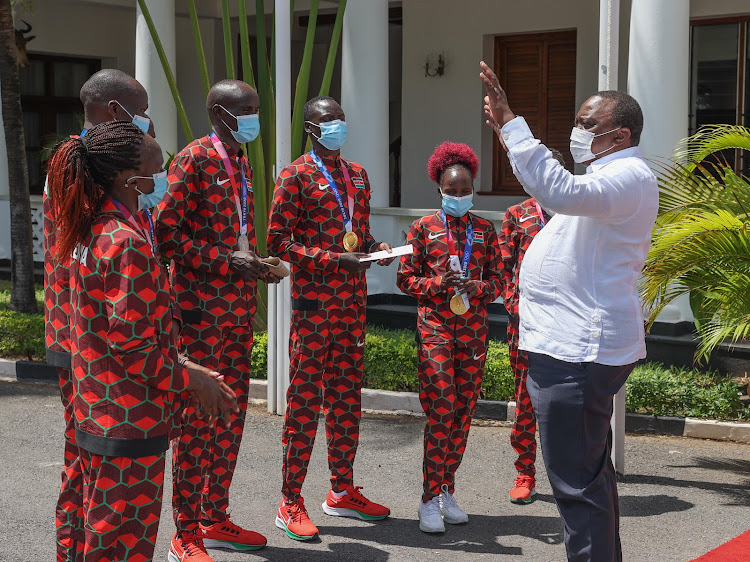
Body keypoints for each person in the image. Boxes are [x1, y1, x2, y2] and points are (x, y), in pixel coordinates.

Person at [481, 61, 658, 561]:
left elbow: (558, 191)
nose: (575, 133)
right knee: (587, 476)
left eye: (586, 125)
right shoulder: (606, 175)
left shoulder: (627, 177)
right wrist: (510, 137)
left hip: (578, 353)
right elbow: (552, 194)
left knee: (576, 485)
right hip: (566, 347)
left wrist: (515, 125)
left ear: (620, 134)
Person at [47, 121, 235, 562]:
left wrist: (184, 364)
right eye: (158, 172)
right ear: (128, 178)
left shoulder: (95, 228)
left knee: (96, 532)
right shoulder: (124, 243)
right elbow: (133, 350)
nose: (165, 183)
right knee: (120, 544)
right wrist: (192, 379)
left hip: (100, 408)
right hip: (128, 418)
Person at [155, 79, 277, 560]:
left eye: (256, 108)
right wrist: (230, 261)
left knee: (230, 417)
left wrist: (254, 266)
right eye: (246, 110)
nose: (254, 117)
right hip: (200, 314)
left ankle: (214, 516)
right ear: (220, 113)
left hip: (237, 314)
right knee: (196, 422)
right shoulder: (193, 160)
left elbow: (233, 234)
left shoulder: (241, 160)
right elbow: (165, 235)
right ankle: (185, 534)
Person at [268, 95, 393, 541]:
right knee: (304, 404)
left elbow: (358, 232)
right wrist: (336, 260)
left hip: (351, 309)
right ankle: (290, 500)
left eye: (339, 117)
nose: (335, 125)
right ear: (310, 128)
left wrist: (375, 250)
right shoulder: (295, 175)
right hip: (313, 309)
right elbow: (278, 242)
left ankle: (342, 491)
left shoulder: (357, 175)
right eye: (326, 120)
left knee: (346, 402)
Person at [43, 68, 153, 562]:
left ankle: (75, 551)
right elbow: (94, 259)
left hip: (86, 331)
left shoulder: (88, 159)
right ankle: (75, 551)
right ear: (115, 113)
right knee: (90, 469)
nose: (147, 124)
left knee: (86, 467)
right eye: (141, 111)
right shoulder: (80, 164)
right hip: (88, 338)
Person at [397, 141, 503, 533]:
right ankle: (427, 498)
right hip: (436, 331)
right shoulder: (423, 228)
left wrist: (478, 289)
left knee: (462, 413)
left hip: (473, 334)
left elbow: (499, 282)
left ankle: (446, 489)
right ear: (438, 190)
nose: (458, 196)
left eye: (464, 190)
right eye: (451, 190)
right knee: (441, 408)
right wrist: (439, 283)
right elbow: (404, 279)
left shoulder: (485, 230)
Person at [499, 148, 564, 505]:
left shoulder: (577, 211)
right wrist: (515, 305)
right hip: (525, 326)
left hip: (568, 324)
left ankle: (569, 474)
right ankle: (525, 471)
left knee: (568, 402)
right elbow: (503, 268)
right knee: (526, 398)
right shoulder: (518, 214)